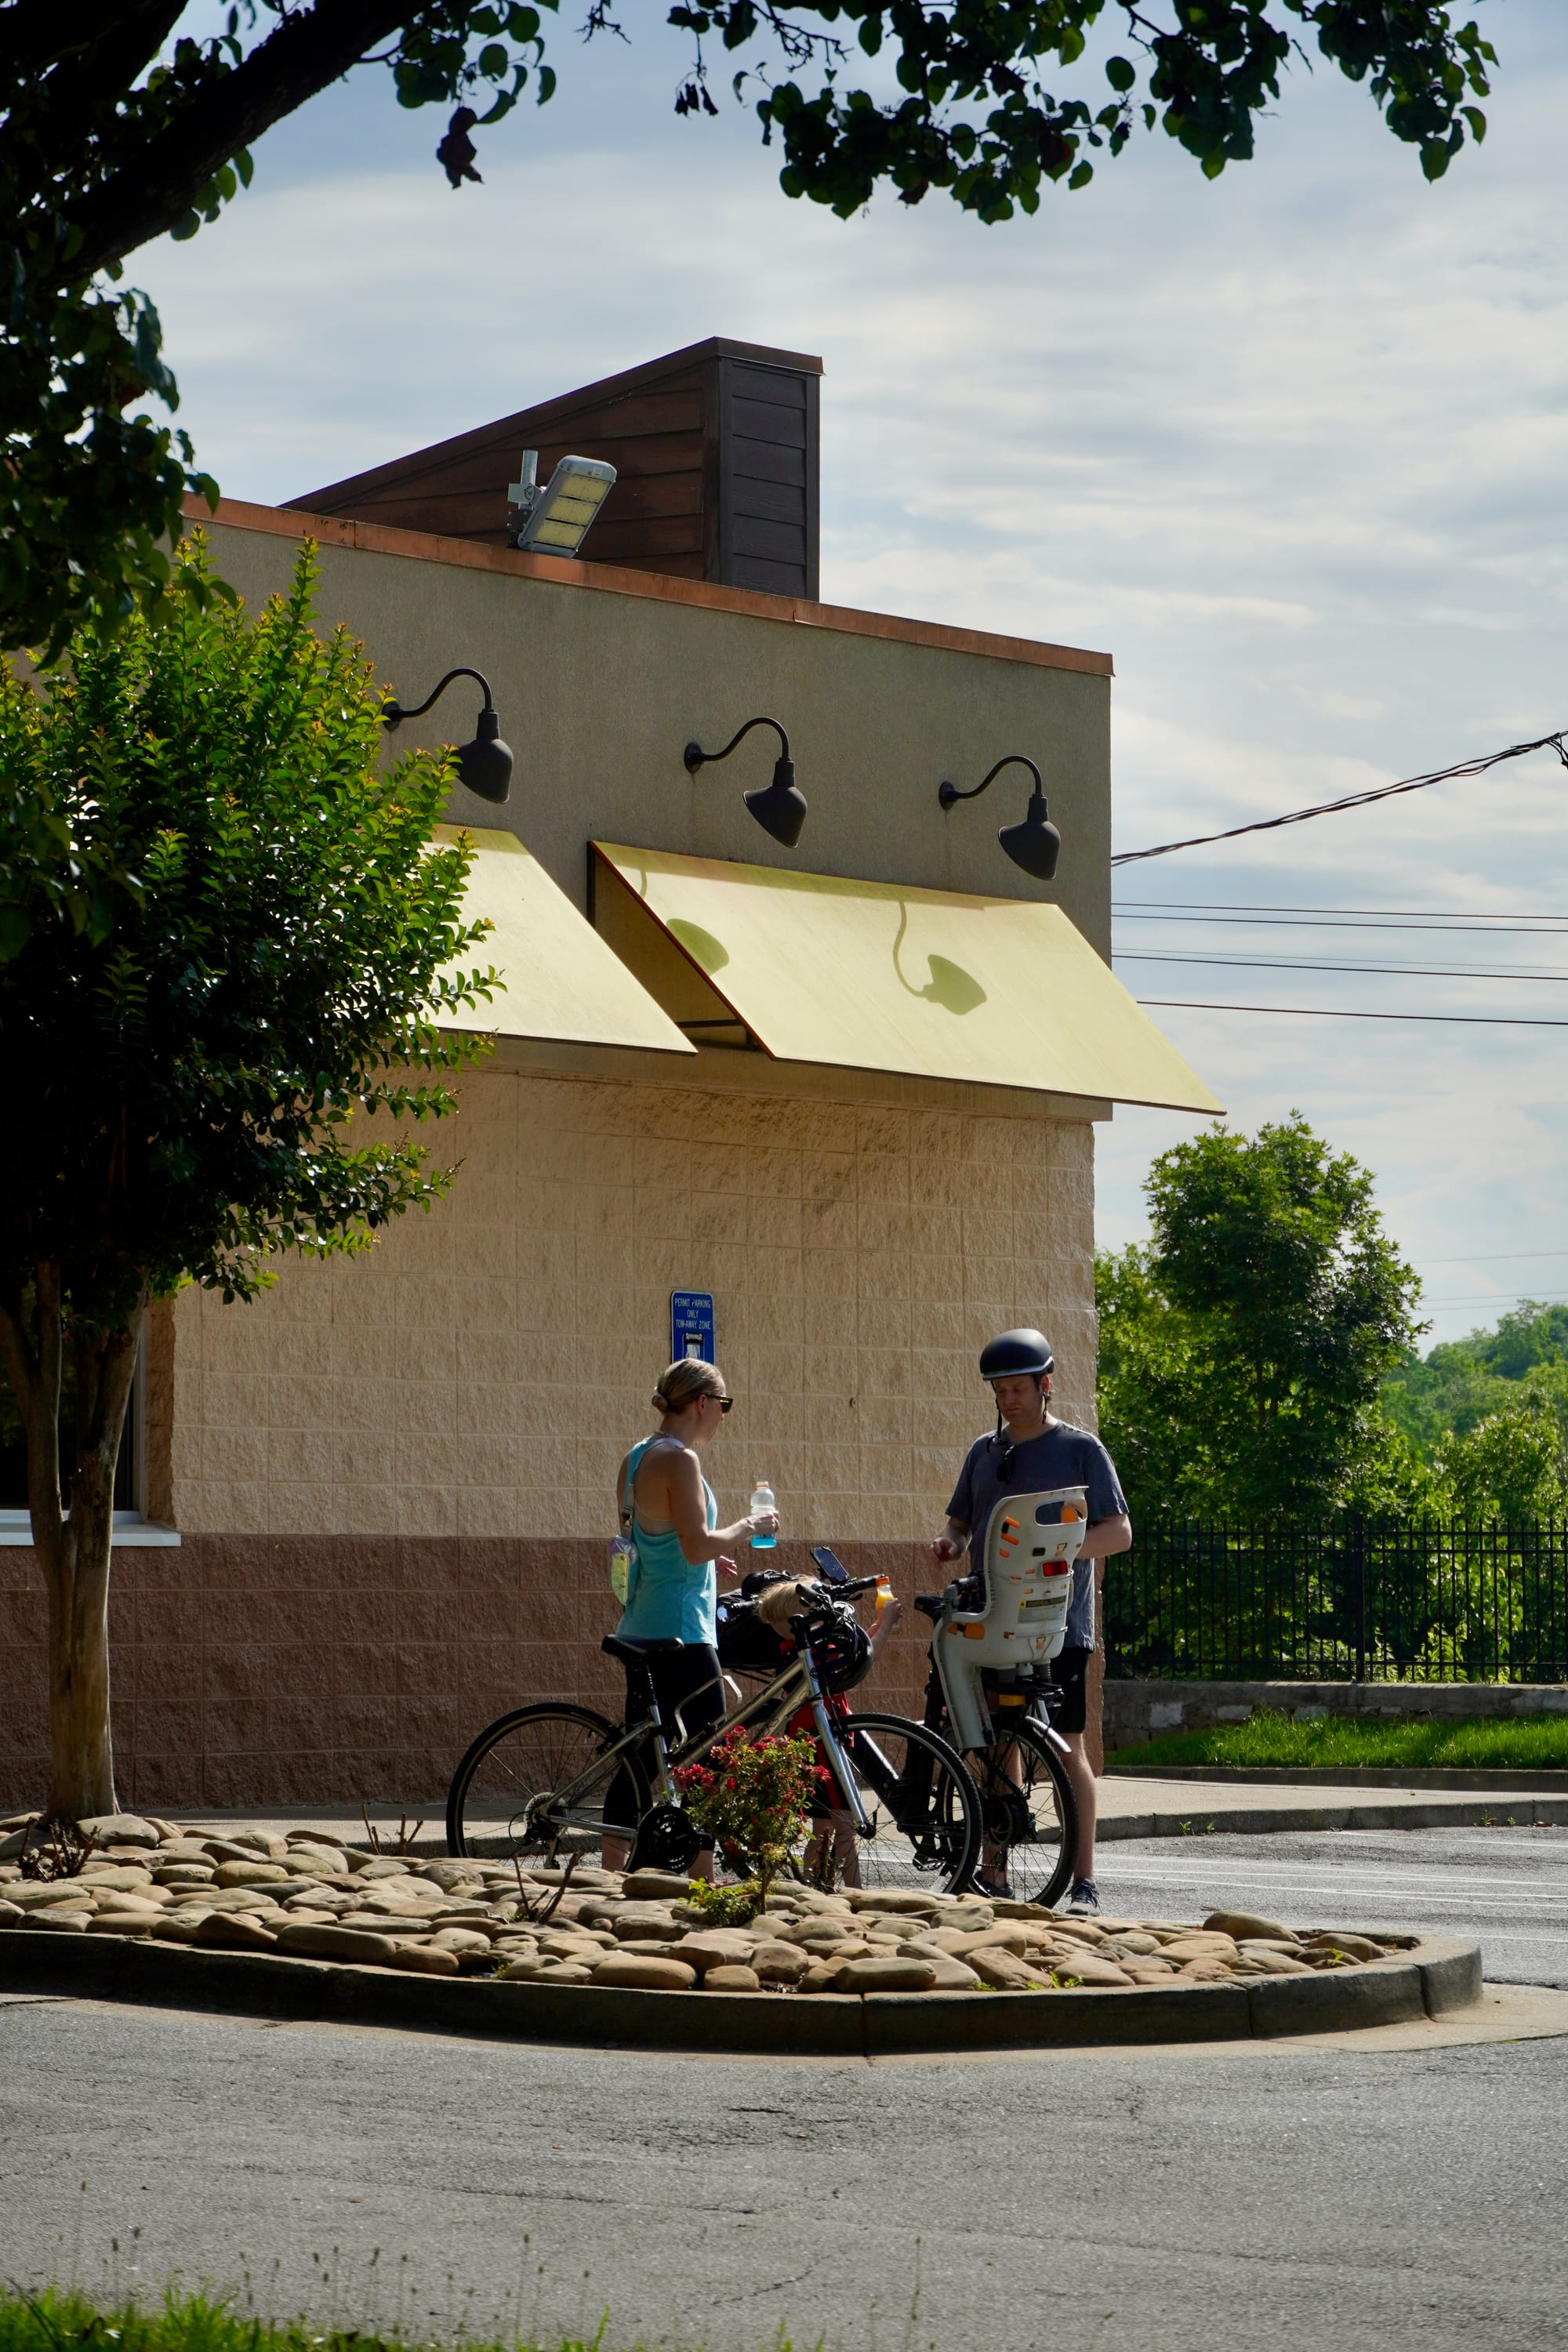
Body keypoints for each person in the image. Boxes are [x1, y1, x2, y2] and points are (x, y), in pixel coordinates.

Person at [929, 1327, 1132, 1914]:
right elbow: (959, 1525)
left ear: (1046, 1386)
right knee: (997, 1744)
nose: (1008, 1400)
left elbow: (1118, 1533)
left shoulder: (1081, 1449)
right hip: (995, 1621)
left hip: (1058, 1627)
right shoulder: (984, 1452)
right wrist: (946, 1542)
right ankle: (994, 1871)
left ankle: (1085, 1881)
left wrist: (1054, 1553)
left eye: (1019, 1389)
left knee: (1067, 1746)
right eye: (1000, 1391)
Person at [601, 1358, 779, 1873]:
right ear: (701, 1403)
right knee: (711, 1757)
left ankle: (611, 1874)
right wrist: (748, 1525)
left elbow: (650, 1543)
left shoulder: (636, 1457)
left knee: (640, 1759)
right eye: (723, 1405)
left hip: (640, 1620)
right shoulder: (681, 1461)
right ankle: (702, 1878)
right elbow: (696, 1544)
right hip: (682, 1631)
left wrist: (703, 1560)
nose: (723, 1416)